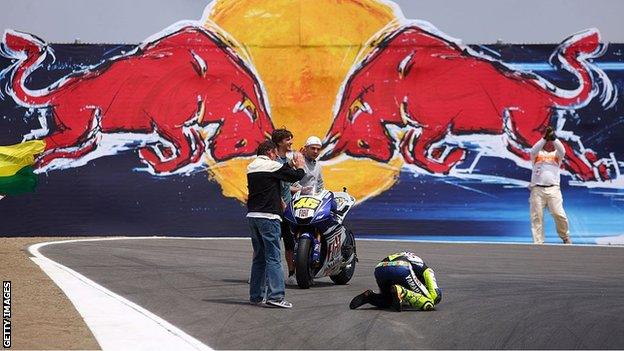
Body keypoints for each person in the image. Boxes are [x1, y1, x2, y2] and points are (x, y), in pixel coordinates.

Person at [246, 140, 305, 308]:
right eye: (275, 154)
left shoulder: (251, 167)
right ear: (271, 152)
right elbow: (295, 177)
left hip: (253, 216)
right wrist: (299, 165)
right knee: (273, 258)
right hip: (269, 217)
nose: (277, 157)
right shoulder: (271, 166)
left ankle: (256, 295)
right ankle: (276, 296)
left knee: (259, 258)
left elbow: (270, 185)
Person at [350, 252, 441, 312]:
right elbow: (429, 273)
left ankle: (370, 297)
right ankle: (403, 292)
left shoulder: (410, 257)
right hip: (401, 267)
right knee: (429, 301)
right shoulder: (424, 269)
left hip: (380, 269)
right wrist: (435, 294)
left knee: (388, 301)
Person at [529, 126, 571, 244]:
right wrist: (544, 138)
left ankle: (565, 237)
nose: (549, 144)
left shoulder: (556, 156)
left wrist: (553, 138)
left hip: (553, 190)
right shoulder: (536, 155)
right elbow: (533, 150)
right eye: (547, 141)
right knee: (537, 217)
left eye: (550, 141)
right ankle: (538, 242)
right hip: (537, 190)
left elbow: (562, 150)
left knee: (559, 214)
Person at [271, 128, 299, 284]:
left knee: (289, 243)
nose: (291, 142)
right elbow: (273, 186)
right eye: (288, 139)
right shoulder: (273, 162)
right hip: (276, 210)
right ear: (280, 142)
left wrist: (301, 189)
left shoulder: (284, 161)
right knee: (269, 243)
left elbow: (287, 185)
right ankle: (260, 273)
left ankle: (291, 274)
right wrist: (281, 200)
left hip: (287, 210)